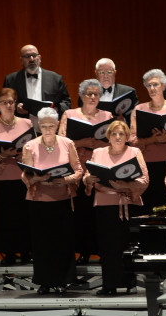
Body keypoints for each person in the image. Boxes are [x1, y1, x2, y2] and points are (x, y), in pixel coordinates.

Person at [21, 107, 83, 295]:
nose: (48, 129)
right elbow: (25, 174)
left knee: (63, 241)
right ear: (39, 126)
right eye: (44, 126)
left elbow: (79, 170)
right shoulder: (30, 146)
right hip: (39, 200)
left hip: (62, 199)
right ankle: (45, 282)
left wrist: (66, 180)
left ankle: (63, 281)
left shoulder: (67, 143)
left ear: (57, 125)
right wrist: (37, 179)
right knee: (42, 243)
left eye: (51, 125)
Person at [83, 120, 149, 295]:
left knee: (128, 245)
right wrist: (87, 180)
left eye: (121, 134)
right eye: (114, 134)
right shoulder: (98, 152)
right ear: (108, 136)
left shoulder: (134, 151)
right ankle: (109, 284)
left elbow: (144, 179)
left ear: (127, 137)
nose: (118, 137)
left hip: (127, 203)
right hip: (105, 205)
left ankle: (130, 283)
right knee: (107, 246)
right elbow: (88, 175)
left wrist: (123, 186)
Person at [59, 79, 113, 264]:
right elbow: (61, 140)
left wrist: (98, 144)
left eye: (96, 94)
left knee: (100, 211)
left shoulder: (107, 116)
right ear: (81, 96)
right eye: (88, 94)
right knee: (81, 211)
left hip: (100, 167)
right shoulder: (69, 114)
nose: (92, 97)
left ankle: (101, 250)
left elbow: (115, 141)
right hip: (78, 167)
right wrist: (82, 143)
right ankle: (83, 251)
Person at [0, 87, 34, 265]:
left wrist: (23, 154)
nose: (9, 105)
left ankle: (26, 251)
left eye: (12, 102)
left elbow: (34, 151)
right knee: (6, 217)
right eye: (4, 102)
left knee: (24, 216)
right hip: (3, 177)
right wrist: (4, 155)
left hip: (23, 177)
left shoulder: (26, 124)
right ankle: (9, 253)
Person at [130, 69, 166, 212]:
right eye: (149, 85)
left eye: (155, 84)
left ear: (164, 86)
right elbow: (133, 141)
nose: (152, 88)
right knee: (150, 204)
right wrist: (152, 139)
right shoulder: (139, 109)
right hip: (147, 164)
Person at [3, 44, 72, 118]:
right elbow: (2, 103)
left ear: (39, 57)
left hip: (49, 125)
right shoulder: (11, 80)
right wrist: (15, 107)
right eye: (27, 56)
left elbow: (67, 103)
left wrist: (55, 109)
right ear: (21, 60)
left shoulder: (55, 78)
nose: (31, 59)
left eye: (34, 55)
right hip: (21, 125)